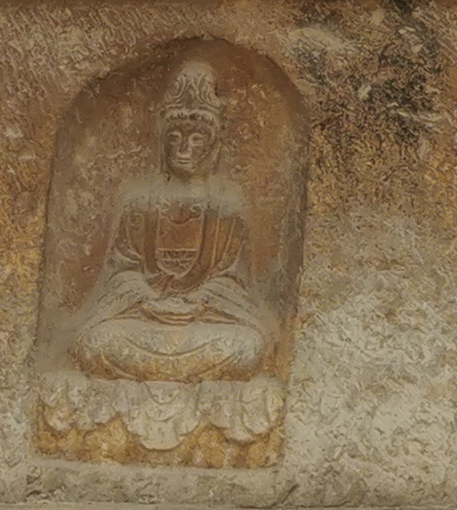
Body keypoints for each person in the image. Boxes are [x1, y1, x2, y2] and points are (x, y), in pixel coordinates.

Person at [36, 58, 284, 464]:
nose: (185, 149)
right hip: (144, 318)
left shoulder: (226, 205)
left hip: (203, 321)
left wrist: (200, 302)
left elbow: (230, 279)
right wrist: (147, 300)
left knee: (249, 346)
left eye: (197, 140)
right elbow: (122, 271)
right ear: (162, 141)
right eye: (176, 138)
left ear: (213, 145)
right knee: (95, 342)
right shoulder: (139, 200)